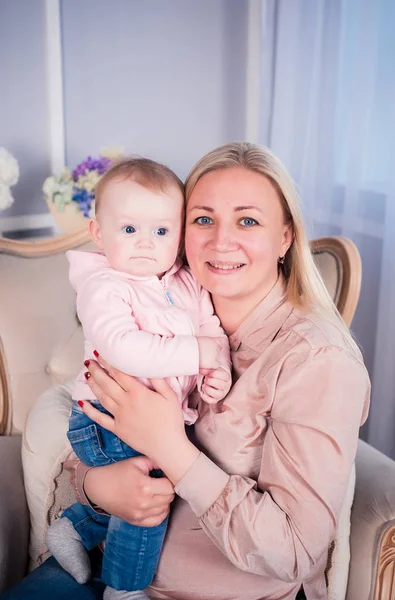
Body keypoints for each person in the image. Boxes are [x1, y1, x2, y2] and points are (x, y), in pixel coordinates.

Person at [2, 142, 370, 600]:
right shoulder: (158, 300)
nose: (221, 240)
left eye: (248, 220)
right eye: (203, 219)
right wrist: (98, 488)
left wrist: (171, 449)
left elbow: (296, 551)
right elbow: (102, 430)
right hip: (100, 560)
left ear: (285, 238)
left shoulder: (317, 360)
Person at [45, 157, 232, 600]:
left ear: (179, 236)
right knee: (150, 493)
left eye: (161, 231)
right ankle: (125, 588)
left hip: (154, 418)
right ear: (98, 233)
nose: (146, 244)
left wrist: (216, 366)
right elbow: (122, 346)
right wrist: (195, 353)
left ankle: (73, 527)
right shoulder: (105, 286)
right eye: (130, 230)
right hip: (107, 416)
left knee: (139, 483)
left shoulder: (186, 282)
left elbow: (210, 329)